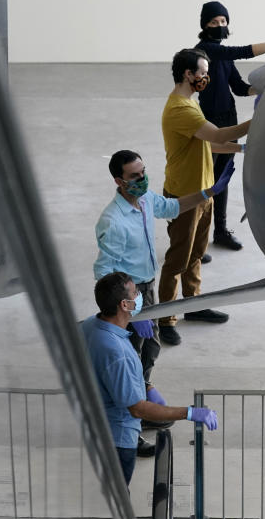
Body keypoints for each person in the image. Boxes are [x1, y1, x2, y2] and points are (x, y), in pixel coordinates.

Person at [94, 150, 234, 454]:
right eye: (134, 176)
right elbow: (104, 272)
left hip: (145, 288)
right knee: (129, 361)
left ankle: (142, 401)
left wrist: (208, 192)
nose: (142, 179)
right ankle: (130, 423)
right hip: (128, 295)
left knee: (149, 348)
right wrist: (131, 309)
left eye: (143, 172)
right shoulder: (112, 220)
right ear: (118, 181)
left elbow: (171, 206)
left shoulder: (144, 200)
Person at [82, 272, 218, 485]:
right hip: (119, 440)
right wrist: (190, 412)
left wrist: (145, 385)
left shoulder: (91, 325)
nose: (140, 297)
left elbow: (108, 376)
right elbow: (137, 409)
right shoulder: (116, 352)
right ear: (125, 305)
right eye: (136, 292)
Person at [158, 48, 250, 341]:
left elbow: (210, 144)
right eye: (202, 71)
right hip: (184, 196)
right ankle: (166, 319)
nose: (206, 76)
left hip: (203, 192)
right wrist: (261, 121)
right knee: (177, 260)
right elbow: (220, 135)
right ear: (188, 74)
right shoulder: (180, 110)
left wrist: (244, 148)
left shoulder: (190, 103)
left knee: (196, 254)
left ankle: (193, 305)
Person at [194, 1, 265, 251]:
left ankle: (220, 231)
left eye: (223, 21)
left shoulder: (223, 55)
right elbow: (241, 51)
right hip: (209, 121)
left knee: (222, 179)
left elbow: (239, 87)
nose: (220, 26)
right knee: (206, 181)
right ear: (204, 26)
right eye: (214, 22)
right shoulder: (205, 51)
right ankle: (197, 241)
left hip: (228, 117)